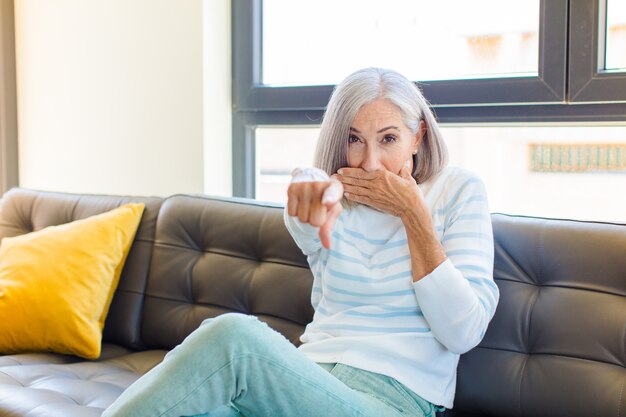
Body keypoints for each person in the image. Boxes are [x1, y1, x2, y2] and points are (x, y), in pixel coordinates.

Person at [102, 67, 499, 417]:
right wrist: (308, 187)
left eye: (389, 139)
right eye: (354, 139)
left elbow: (463, 332)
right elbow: (307, 203)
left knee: (233, 339)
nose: (370, 163)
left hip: (391, 400)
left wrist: (415, 215)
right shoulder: (331, 198)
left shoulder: (457, 190)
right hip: (301, 383)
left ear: (418, 137)